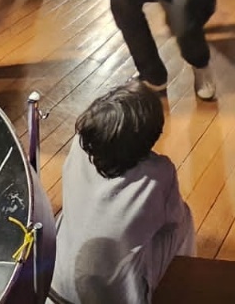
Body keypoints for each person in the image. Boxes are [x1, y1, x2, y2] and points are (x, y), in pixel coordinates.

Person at [50, 81, 195, 303]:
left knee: (73, 214)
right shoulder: (159, 173)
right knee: (183, 219)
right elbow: (173, 222)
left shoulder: (80, 143)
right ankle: (187, 283)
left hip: (53, 284)